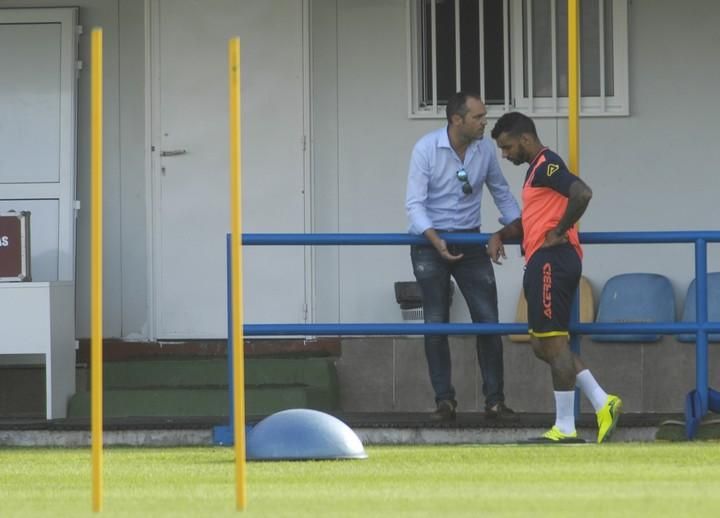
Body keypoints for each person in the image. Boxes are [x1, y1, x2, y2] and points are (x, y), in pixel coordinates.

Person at [488, 111, 622, 443]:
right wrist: (500, 235)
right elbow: (530, 220)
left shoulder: (547, 164)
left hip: (552, 261)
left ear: (525, 139)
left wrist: (559, 231)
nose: (505, 155)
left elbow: (582, 193)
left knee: (553, 342)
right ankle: (603, 401)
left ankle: (565, 427)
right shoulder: (535, 172)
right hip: (540, 261)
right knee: (541, 344)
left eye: (507, 147)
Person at [406, 92, 521, 421]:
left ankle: (495, 401)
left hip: (470, 240)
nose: (485, 122)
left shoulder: (484, 148)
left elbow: (500, 190)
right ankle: (444, 400)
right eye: (478, 117)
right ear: (457, 120)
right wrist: (435, 239)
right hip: (429, 241)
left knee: (488, 321)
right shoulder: (426, 148)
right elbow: (414, 203)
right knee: (435, 323)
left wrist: (519, 230)